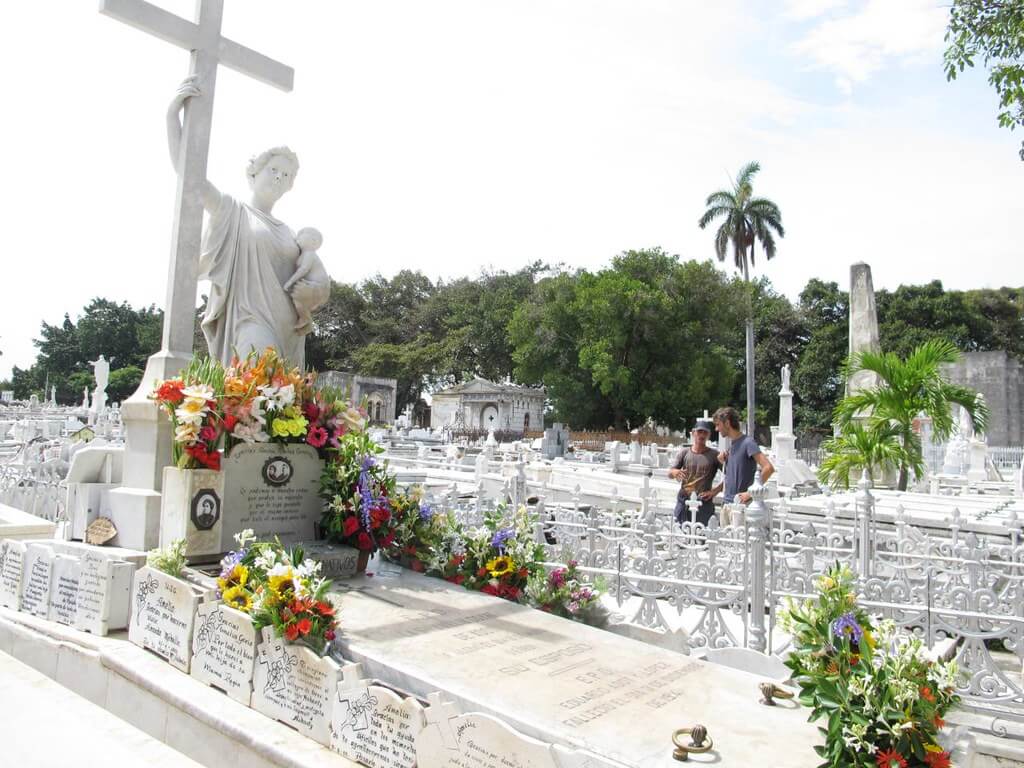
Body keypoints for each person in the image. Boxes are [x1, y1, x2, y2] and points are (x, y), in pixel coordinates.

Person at [167, 76, 323, 368]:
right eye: (274, 169)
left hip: (289, 330)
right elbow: (191, 177)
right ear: (254, 172)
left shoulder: (292, 234)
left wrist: (314, 292)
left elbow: (318, 281)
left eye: (286, 175)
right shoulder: (233, 211)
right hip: (249, 318)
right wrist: (171, 117)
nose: (279, 178)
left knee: (282, 404)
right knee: (259, 380)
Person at [709, 406, 774, 504]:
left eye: (718, 425)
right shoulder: (732, 446)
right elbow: (732, 477)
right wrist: (715, 490)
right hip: (727, 503)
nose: (716, 429)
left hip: (741, 506)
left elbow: (768, 468)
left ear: (727, 423)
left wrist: (750, 493)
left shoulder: (748, 443)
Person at [668, 419, 720, 526]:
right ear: (693, 433)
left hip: (703, 501)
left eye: (705, 432)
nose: (702, 435)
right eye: (699, 432)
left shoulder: (714, 455)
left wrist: (714, 491)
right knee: (680, 533)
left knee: (702, 536)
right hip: (684, 499)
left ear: (709, 435)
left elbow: (730, 475)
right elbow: (670, 473)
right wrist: (675, 472)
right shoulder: (684, 453)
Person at [284, 227, 330, 335]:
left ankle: (306, 319)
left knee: (298, 292)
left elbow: (304, 269)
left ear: (314, 241)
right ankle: (305, 318)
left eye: (302, 235)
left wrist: (290, 282)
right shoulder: (304, 254)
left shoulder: (310, 254)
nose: (298, 238)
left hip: (319, 286)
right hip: (313, 286)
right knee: (298, 299)